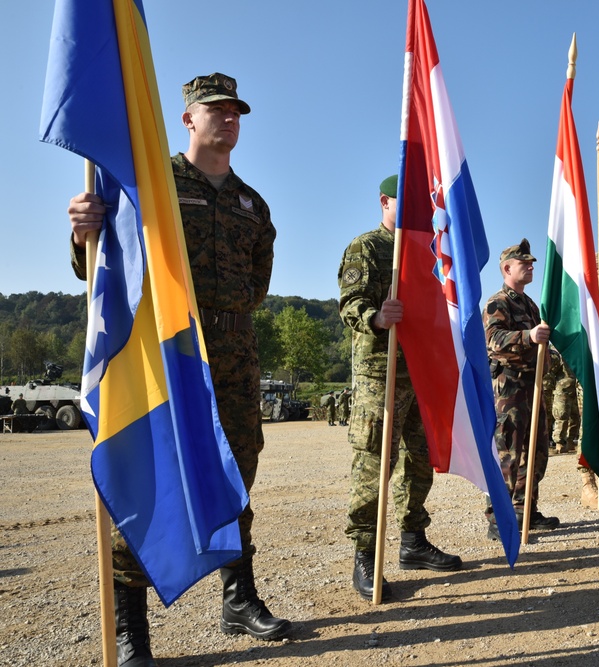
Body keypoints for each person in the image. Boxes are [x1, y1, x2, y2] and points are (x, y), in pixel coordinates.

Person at [67, 73, 290, 666]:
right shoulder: (150, 183)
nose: (229, 119)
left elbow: (257, 286)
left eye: (236, 111)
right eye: (215, 110)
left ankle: (238, 601)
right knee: (151, 478)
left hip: (235, 360)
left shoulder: (252, 204)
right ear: (188, 118)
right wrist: (82, 230)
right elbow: (106, 262)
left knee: (235, 478)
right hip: (168, 356)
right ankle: (130, 630)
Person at [337, 174, 461, 601]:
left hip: (420, 368)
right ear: (384, 201)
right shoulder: (367, 247)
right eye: (403, 205)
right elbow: (350, 302)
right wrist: (374, 316)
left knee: (419, 459)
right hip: (380, 371)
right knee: (375, 462)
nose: (414, 214)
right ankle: (366, 554)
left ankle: (412, 541)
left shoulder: (427, 250)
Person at [483, 239, 560, 535]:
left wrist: (549, 355)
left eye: (531, 263)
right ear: (506, 268)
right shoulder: (497, 302)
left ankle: (525, 508)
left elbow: (542, 345)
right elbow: (494, 342)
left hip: (532, 386)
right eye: (523, 263)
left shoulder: (530, 305)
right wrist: (528, 337)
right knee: (508, 451)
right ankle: (497, 517)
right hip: (509, 388)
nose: (530, 267)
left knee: (536, 450)